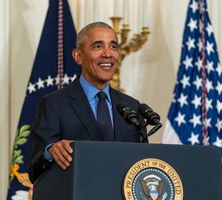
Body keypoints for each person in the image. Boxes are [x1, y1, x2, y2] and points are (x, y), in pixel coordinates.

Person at [29, 22, 147, 183]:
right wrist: (51, 151)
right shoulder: (53, 104)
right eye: (98, 46)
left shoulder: (132, 106)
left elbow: (142, 165)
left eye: (113, 46)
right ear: (78, 56)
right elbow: (34, 170)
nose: (108, 54)